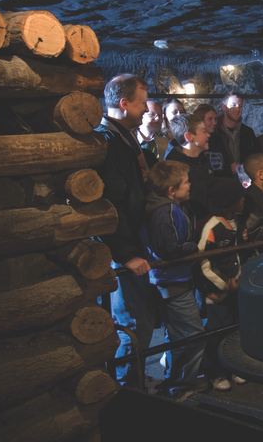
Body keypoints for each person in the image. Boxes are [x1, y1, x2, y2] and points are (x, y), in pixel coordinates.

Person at [93, 74, 155, 386]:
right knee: (134, 324)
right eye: (143, 103)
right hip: (120, 251)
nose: (146, 109)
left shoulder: (125, 138)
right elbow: (112, 201)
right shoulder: (110, 142)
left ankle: (134, 389)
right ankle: (125, 396)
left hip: (131, 242)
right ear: (124, 103)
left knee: (141, 323)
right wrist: (127, 253)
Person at [140, 160, 205, 398]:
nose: (189, 186)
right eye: (186, 182)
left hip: (175, 280)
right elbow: (169, 248)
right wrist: (192, 248)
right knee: (194, 335)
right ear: (171, 190)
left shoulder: (168, 208)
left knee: (180, 335)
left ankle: (177, 381)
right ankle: (182, 385)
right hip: (173, 282)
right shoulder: (164, 212)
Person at [195, 178, 253, 391]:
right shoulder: (213, 227)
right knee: (217, 333)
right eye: (239, 198)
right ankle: (215, 372)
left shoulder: (239, 223)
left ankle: (234, 366)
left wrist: (241, 279)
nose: (242, 201)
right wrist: (222, 284)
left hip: (237, 288)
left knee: (236, 329)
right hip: (217, 294)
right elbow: (203, 262)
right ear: (227, 201)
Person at [165, 113, 213, 227]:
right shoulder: (175, 165)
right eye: (203, 131)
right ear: (189, 137)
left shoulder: (203, 158)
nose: (208, 135)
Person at [215, 93, 260, 180]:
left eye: (240, 106)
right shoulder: (214, 132)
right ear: (224, 107)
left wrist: (242, 167)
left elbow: (256, 158)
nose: (238, 109)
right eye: (233, 105)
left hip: (243, 183)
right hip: (221, 183)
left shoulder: (248, 132)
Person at [193, 103, 229, 178]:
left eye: (215, 119)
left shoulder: (220, 138)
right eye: (210, 119)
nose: (214, 122)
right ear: (200, 120)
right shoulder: (195, 142)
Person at [135, 100, 167, 167]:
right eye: (152, 114)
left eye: (160, 115)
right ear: (141, 115)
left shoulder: (166, 143)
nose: (157, 118)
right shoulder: (131, 141)